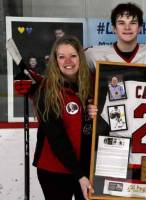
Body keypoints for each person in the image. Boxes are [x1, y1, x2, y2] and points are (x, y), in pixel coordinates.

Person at [15, 36, 94, 200]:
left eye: (73, 55)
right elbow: (57, 138)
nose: (68, 61)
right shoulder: (47, 91)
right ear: (55, 61)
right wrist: (79, 174)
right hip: (54, 170)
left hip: (85, 167)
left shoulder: (90, 85)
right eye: (61, 56)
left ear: (80, 57)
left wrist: (95, 116)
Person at [85, 2, 146, 74]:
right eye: (121, 23)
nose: (127, 27)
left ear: (140, 28)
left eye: (133, 23)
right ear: (114, 28)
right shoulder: (94, 54)